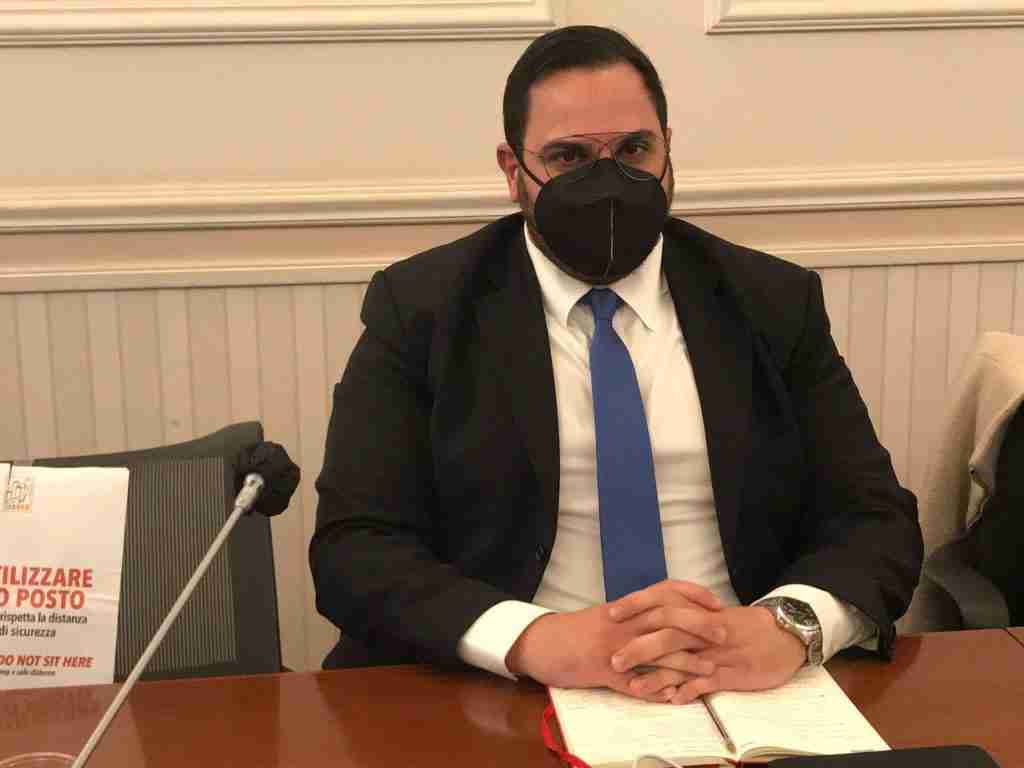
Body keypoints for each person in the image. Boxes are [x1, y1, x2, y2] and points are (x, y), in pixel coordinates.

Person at [310, 25, 922, 705]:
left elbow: (874, 518)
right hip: (512, 689)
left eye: (633, 149)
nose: (607, 181)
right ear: (513, 171)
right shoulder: (421, 308)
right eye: (568, 156)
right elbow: (355, 547)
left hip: (740, 687)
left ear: (668, 150)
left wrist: (789, 626)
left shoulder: (771, 301)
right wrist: (531, 638)